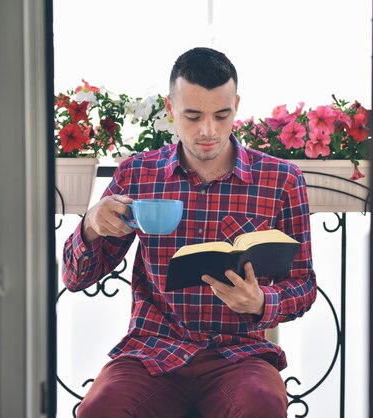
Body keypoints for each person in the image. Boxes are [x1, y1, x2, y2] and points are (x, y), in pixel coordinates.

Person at [62, 47, 317, 418]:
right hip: (152, 351)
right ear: (171, 109)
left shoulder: (281, 180)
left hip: (240, 355)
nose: (208, 131)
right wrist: (89, 226)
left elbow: (304, 285)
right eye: (193, 116)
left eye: (222, 115)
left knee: (261, 405)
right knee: (99, 410)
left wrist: (262, 302)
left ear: (237, 105)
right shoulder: (137, 175)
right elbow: (74, 278)